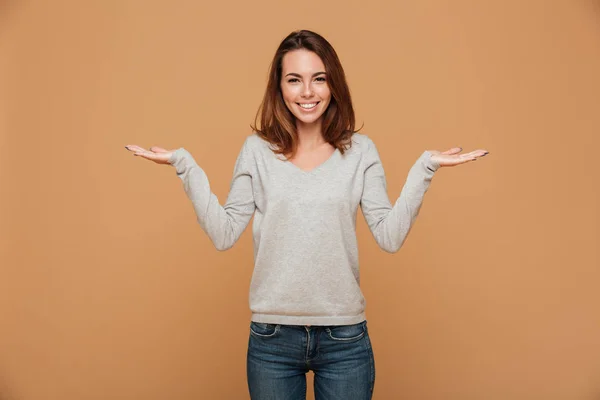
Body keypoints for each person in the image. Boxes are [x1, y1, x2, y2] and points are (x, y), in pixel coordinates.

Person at [125, 29, 488, 400]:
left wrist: (425, 168)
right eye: (294, 80)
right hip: (272, 340)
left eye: (319, 79)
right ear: (279, 87)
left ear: (333, 84)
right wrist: (184, 165)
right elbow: (224, 233)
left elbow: (389, 236)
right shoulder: (257, 151)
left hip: (344, 339)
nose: (308, 92)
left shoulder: (361, 151)